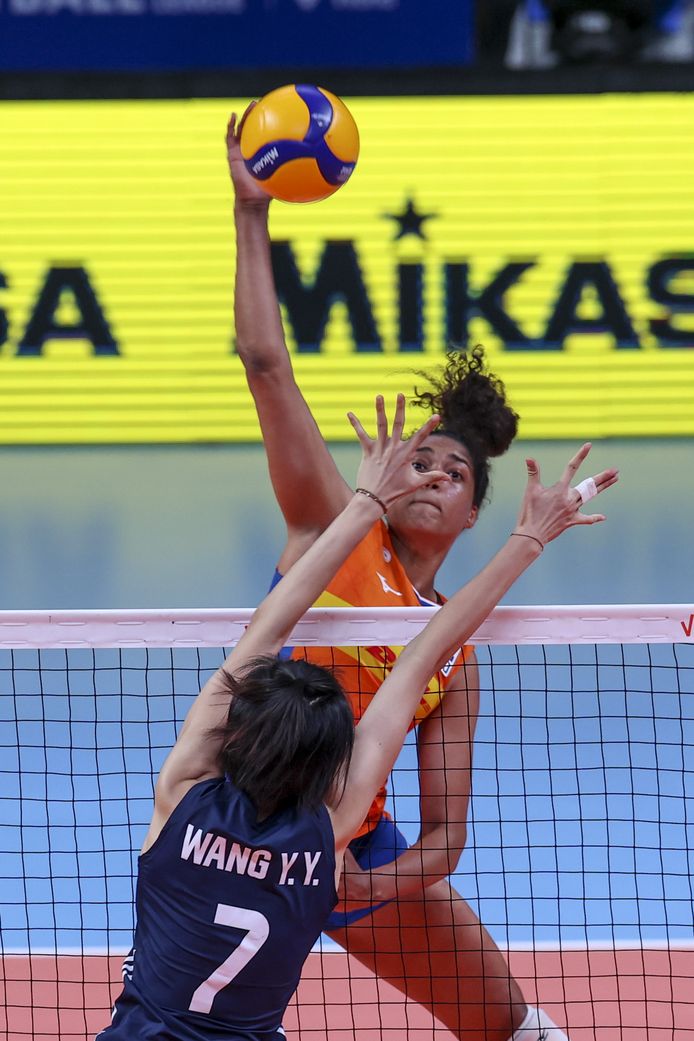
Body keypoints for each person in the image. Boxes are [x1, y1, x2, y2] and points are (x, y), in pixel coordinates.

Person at [227, 111, 618, 1041]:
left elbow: (444, 837)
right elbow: (267, 367)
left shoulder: (451, 649)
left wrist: (364, 880)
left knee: (516, 1029)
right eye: (424, 459)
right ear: (390, 468)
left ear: (477, 511)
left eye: (457, 474)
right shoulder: (337, 527)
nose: (437, 473)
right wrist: (252, 216)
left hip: (351, 845)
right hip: (238, 836)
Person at [96, 394, 615, 1041]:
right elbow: (417, 662)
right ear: (332, 760)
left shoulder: (181, 795)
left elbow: (268, 628)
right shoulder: (325, 839)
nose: (433, 476)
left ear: (240, 725)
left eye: (455, 472)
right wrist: (528, 540)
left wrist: (364, 499)